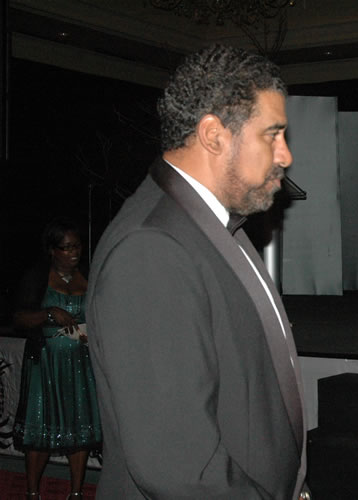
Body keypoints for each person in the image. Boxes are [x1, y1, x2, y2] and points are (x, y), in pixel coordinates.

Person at [86, 45, 309, 499]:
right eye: (272, 134)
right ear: (213, 135)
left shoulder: (210, 227)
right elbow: (178, 465)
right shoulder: (152, 249)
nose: (285, 155)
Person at [13, 216, 102, 499]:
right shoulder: (38, 277)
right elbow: (20, 318)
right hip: (47, 364)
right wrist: (49, 313)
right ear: (52, 250)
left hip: (80, 362)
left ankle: (75, 493)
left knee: (80, 428)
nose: (74, 252)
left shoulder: (88, 275)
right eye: (67, 247)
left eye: (77, 246)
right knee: (40, 429)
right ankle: (32, 493)